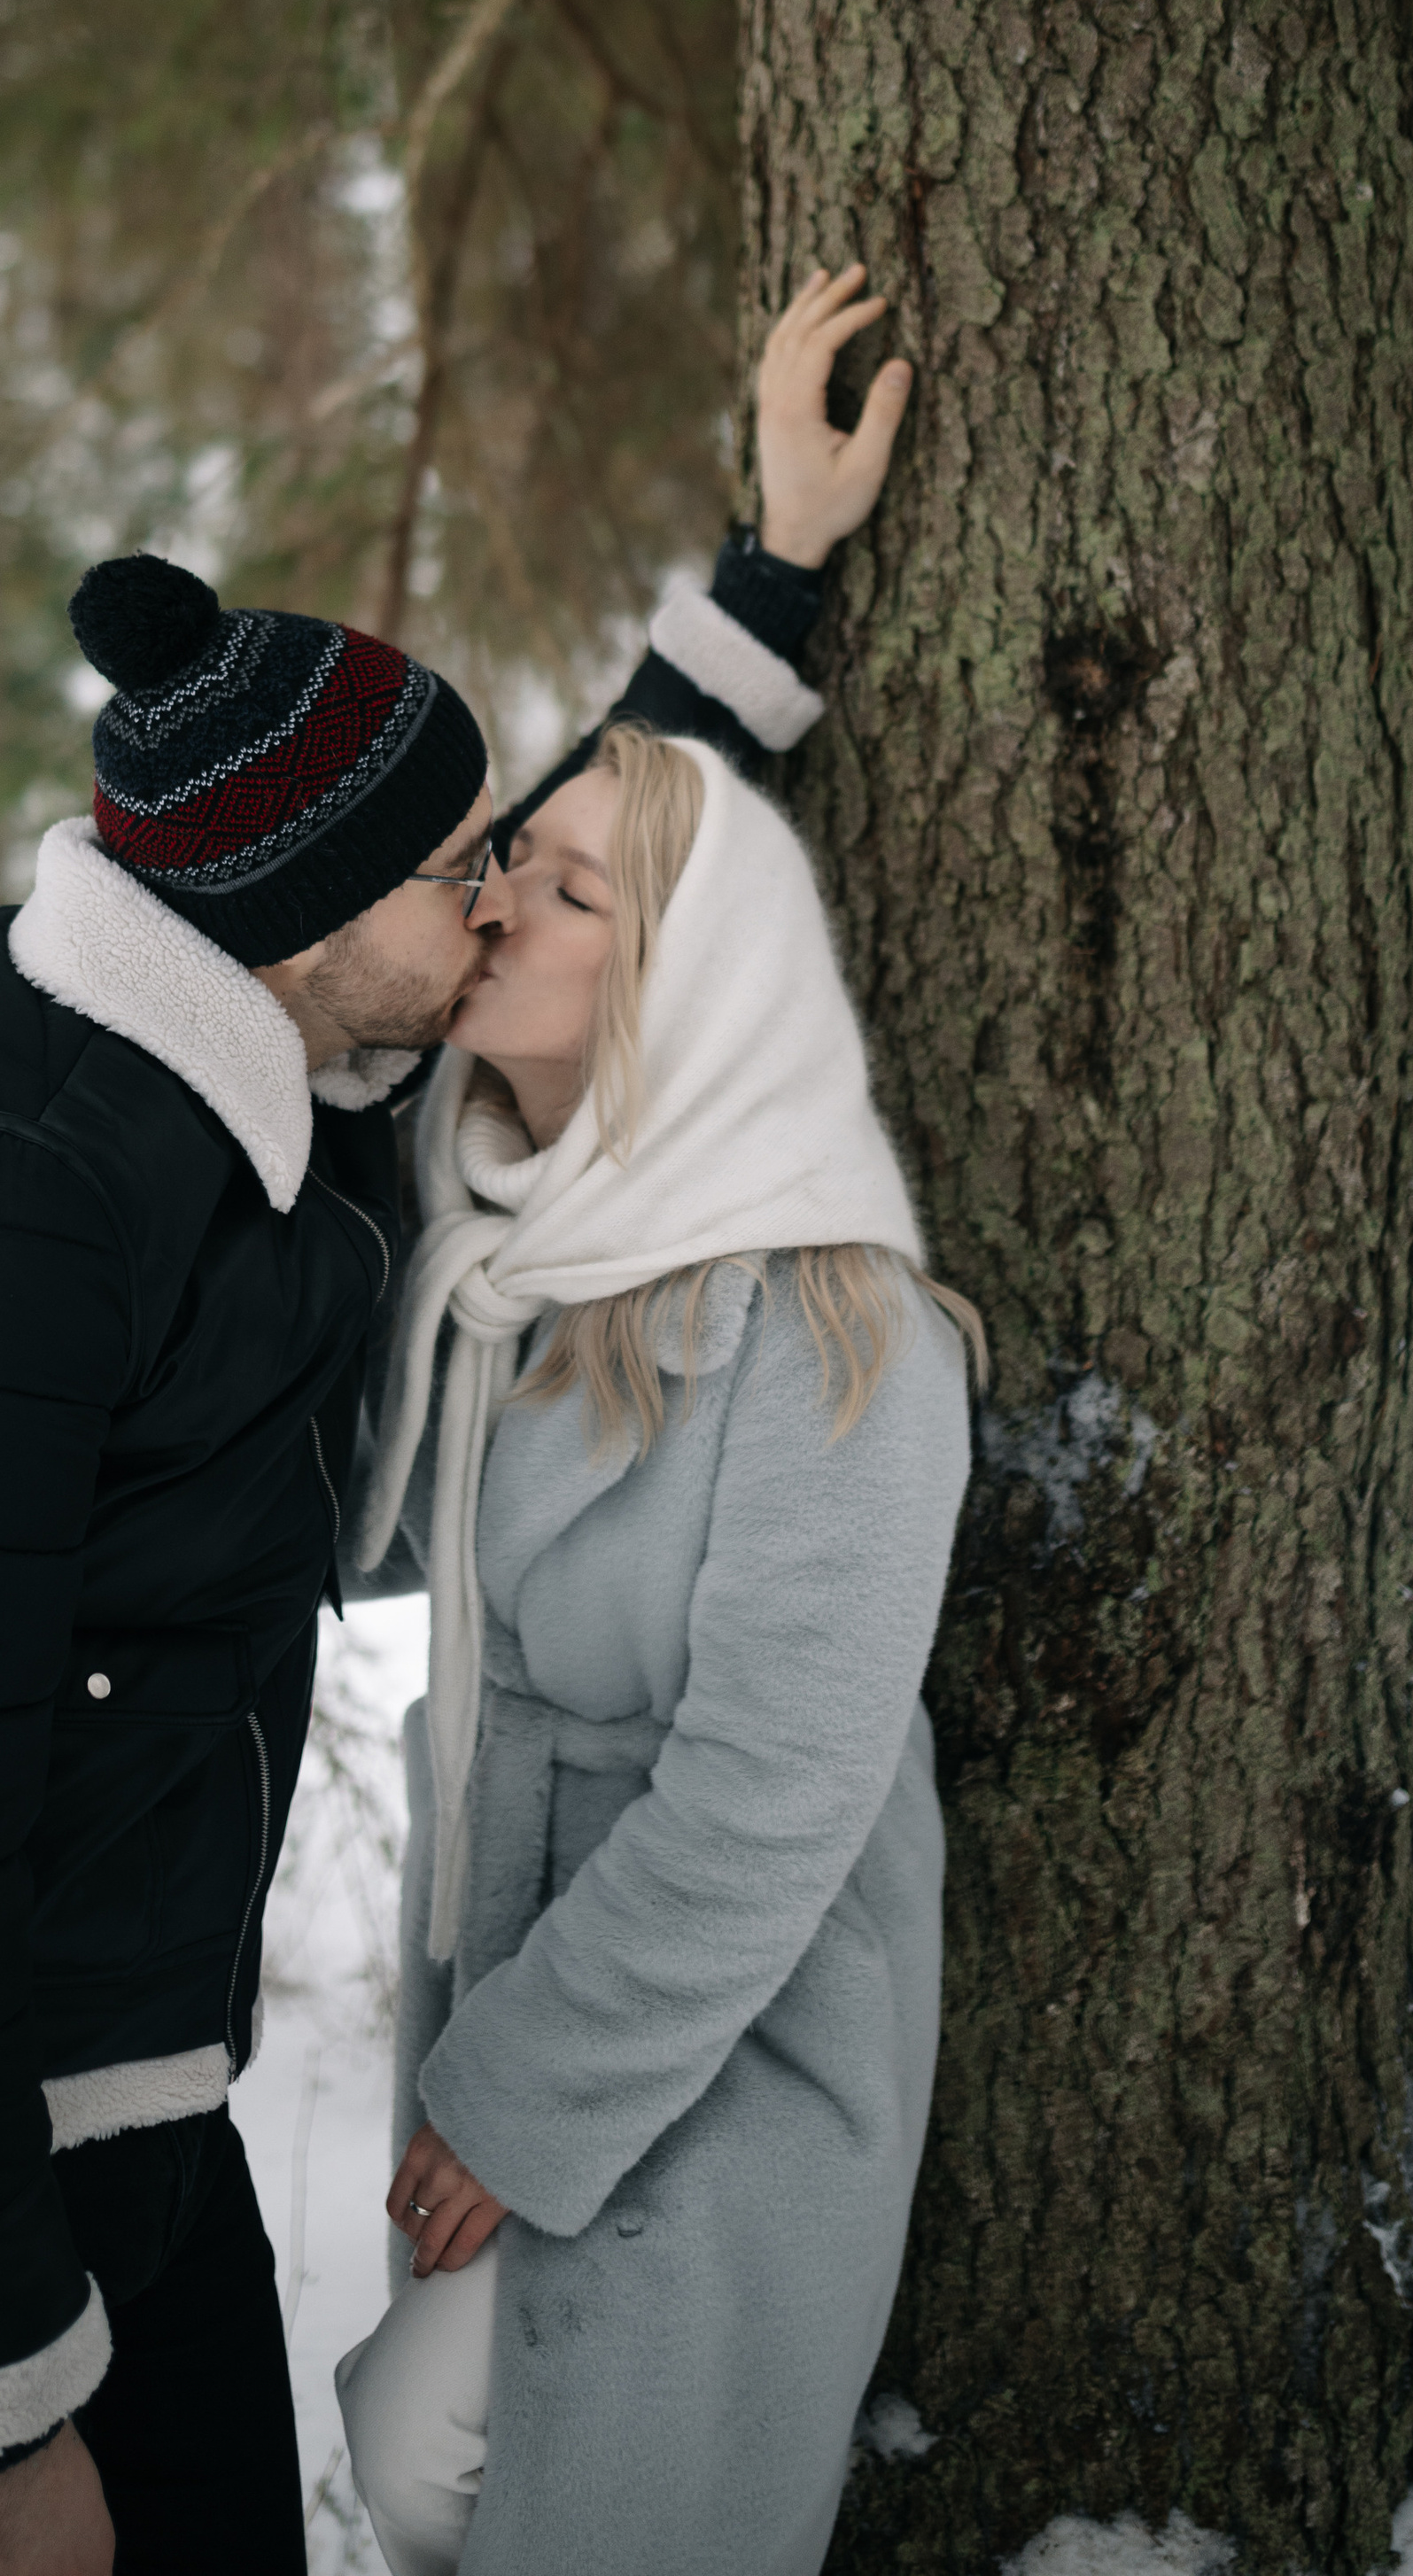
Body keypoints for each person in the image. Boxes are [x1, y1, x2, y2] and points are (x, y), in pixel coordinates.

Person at [0, 259, 912, 2576]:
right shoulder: (7, 1211)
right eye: (463, 869)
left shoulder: (300, 1038)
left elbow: (590, 853)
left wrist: (771, 570)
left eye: (506, 857)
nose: (507, 904)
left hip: (99, 2118)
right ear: (297, 911)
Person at [332, 710, 982, 2576]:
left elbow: (776, 1790)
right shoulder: (501, 1261)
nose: (492, 901)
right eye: (502, 859)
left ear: (684, 985)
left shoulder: (836, 1326)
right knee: (451, 2475)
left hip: (722, 2025)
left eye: (564, 887)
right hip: (520, 1953)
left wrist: (525, 2099)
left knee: (472, 2465)